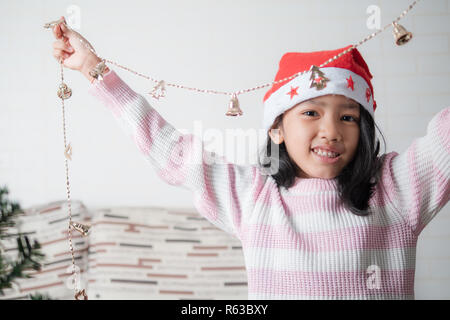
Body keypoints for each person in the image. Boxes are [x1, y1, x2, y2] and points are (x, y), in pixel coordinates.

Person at [51, 17, 449, 300]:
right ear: (276, 129)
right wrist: (92, 68)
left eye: (348, 116)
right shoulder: (253, 196)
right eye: (311, 112)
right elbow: (169, 149)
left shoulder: (396, 189)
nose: (331, 130)